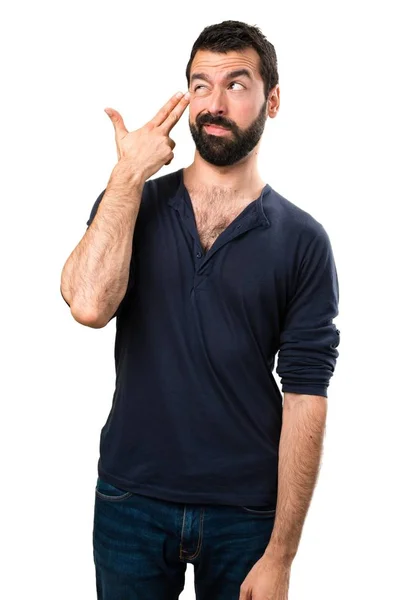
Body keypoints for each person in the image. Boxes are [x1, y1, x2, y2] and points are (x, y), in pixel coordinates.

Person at [60, 19, 340, 600]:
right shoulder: (130, 200)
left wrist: (282, 555)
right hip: (130, 501)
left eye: (237, 84)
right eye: (200, 85)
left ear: (274, 99)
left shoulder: (303, 240)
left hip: (247, 514)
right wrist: (128, 173)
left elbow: (306, 395)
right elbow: (87, 304)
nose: (214, 104)